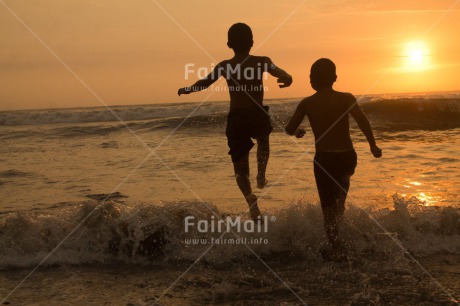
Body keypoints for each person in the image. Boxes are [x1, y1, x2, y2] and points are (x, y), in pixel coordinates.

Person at [178, 23, 292, 221]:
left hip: (237, 118)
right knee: (263, 139)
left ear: (229, 44)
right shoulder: (263, 61)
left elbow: (205, 82)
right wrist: (287, 77)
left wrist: (189, 89)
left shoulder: (225, 66)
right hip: (256, 114)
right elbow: (279, 71)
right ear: (252, 42)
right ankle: (262, 175)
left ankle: (250, 198)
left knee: (240, 170)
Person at [285, 58, 382, 259]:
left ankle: (337, 248)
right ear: (335, 78)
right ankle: (343, 238)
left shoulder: (307, 103)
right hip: (347, 157)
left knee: (327, 207)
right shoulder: (346, 98)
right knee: (340, 201)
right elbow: (362, 120)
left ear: (311, 80)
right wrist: (372, 144)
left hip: (324, 160)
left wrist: (298, 132)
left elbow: (289, 128)